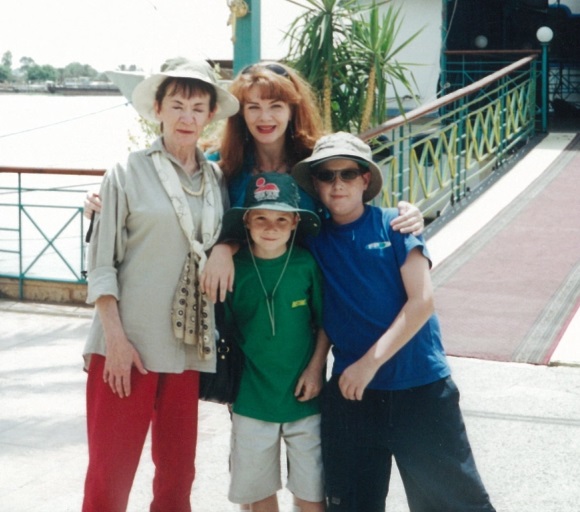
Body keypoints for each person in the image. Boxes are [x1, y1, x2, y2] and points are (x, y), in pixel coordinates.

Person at [84, 61, 426, 303]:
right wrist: (102, 199)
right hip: (240, 297)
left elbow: (351, 205)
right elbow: (168, 184)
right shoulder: (223, 165)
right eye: (253, 107)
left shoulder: (316, 163)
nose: (265, 117)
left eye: (276, 106)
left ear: (292, 110)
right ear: (240, 114)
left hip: (307, 297)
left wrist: (406, 214)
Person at [291, 132, 496, 512]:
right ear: (315, 183)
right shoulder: (313, 240)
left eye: (348, 174)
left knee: (452, 504)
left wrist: (368, 365)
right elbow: (325, 312)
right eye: (326, 175)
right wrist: (318, 365)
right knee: (351, 504)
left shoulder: (395, 224)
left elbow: (422, 301)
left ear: (365, 179)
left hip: (417, 386)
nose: (337, 184)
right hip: (352, 396)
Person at [81, 57, 239, 512]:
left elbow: (232, 235)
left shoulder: (216, 180)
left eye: (197, 107)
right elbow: (101, 266)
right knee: (110, 478)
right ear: (158, 109)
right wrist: (116, 341)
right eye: (177, 105)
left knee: (177, 478)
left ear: (211, 115)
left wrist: (226, 247)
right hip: (126, 347)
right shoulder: (125, 172)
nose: (187, 117)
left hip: (186, 348)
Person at [220, 172, 329, 512]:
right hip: (251, 398)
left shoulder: (305, 264)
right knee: (258, 496)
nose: (271, 227)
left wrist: (315, 369)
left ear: (295, 222)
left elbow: (325, 324)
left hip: (304, 397)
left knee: (312, 494)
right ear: (246, 221)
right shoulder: (234, 268)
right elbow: (224, 331)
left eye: (281, 219)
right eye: (261, 218)